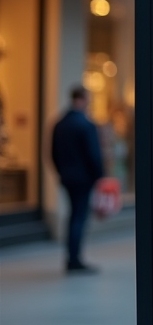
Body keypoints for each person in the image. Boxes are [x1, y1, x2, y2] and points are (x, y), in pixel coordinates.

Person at [50, 86, 105, 274]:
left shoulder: (59, 123)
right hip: (83, 179)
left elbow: (52, 154)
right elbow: (94, 155)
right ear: (81, 99)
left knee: (73, 216)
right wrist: (99, 176)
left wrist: (61, 172)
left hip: (67, 177)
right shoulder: (85, 124)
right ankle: (74, 260)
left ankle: (72, 257)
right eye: (88, 99)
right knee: (79, 217)